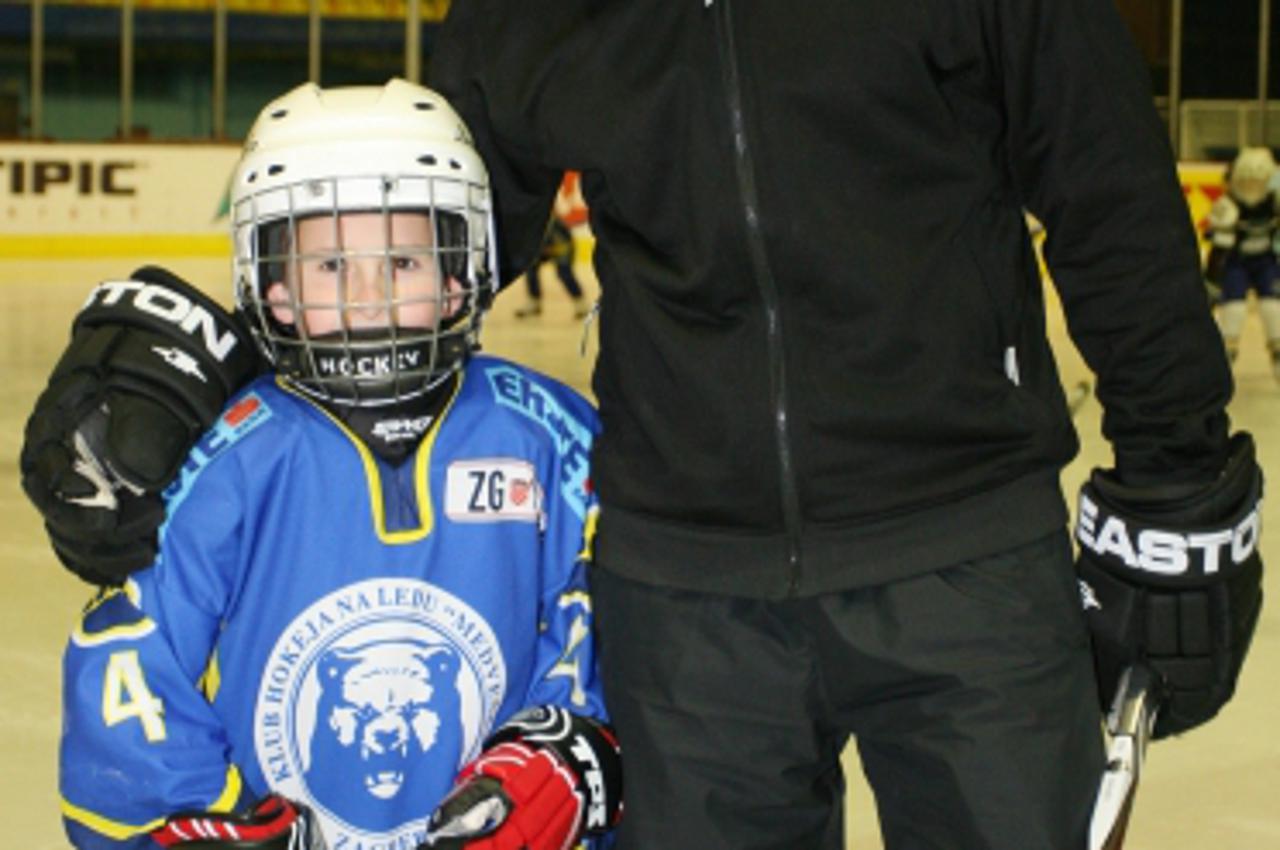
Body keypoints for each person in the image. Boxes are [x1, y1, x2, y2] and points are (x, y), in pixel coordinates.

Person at [20, 3, 1267, 850]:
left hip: (961, 550)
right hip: (680, 597)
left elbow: (1106, 186)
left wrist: (1177, 473)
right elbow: (420, 231)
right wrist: (192, 386)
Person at [51, 80, 620, 850]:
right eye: (328, 266)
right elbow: (134, 658)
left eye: (405, 261)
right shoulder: (232, 454)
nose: (367, 297)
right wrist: (199, 819)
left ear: (460, 274)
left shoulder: (544, 433)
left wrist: (568, 752)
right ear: (274, 289)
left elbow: (609, 614)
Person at [1204, 146, 1280, 380]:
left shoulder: (1276, 201)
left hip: (1267, 262)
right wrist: (1211, 284)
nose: (1252, 188)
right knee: (1233, 312)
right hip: (1236, 264)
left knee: (1273, 311)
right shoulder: (1227, 206)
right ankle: (1224, 365)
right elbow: (1219, 250)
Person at [514, 172, 592, 320]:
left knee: (564, 273)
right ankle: (534, 302)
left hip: (562, 247)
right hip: (544, 248)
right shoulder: (533, 220)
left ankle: (581, 304)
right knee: (531, 268)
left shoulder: (555, 222)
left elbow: (564, 244)